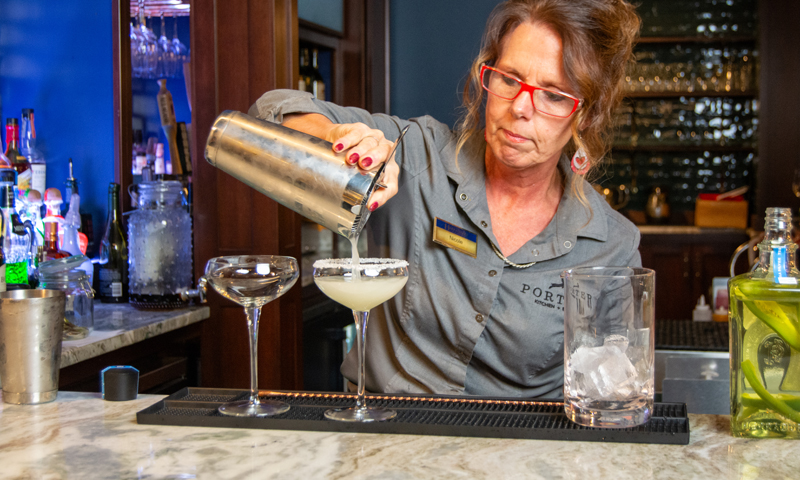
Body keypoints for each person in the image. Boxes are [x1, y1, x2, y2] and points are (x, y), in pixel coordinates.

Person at [250, 0, 642, 398]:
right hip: (389, 436)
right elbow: (270, 113)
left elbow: (614, 391)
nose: (521, 108)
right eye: (509, 79)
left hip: (520, 450)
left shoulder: (612, 246)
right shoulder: (416, 155)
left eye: (554, 96)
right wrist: (337, 140)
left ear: (587, 115)